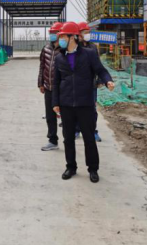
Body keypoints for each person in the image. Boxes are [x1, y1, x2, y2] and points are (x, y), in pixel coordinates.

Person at [52, 22, 115, 183]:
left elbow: (100, 70)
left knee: (88, 137)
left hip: (85, 102)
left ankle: (93, 169)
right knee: (68, 138)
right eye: (60, 37)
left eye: (63, 36)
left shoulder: (89, 54)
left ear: (73, 37)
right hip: (66, 103)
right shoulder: (59, 57)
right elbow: (56, 81)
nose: (60, 39)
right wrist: (55, 102)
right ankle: (71, 167)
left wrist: (107, 80)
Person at [38, 21, 63, 151]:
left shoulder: (64, 50)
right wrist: (40, 83)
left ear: (60, 34)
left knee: (66, 115)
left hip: (62, 89)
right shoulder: (46, 48)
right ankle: (53, 140)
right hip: (48, 87)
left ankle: (69, 139)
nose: (52, 35)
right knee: (50, 115)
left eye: (54, 33)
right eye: (51, 33)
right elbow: (42, 66)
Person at [76, 21, 102, 142]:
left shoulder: (93, 47)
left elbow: (98, 64)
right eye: (85, 32)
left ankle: (93, 131)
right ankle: (77, 130)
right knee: (77, 108)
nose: (88, 34)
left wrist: (100, 79)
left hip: (91, 84)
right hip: (78, 84)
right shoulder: (75, 47)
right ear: (79, 34)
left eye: (88, 32)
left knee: (92, 109)